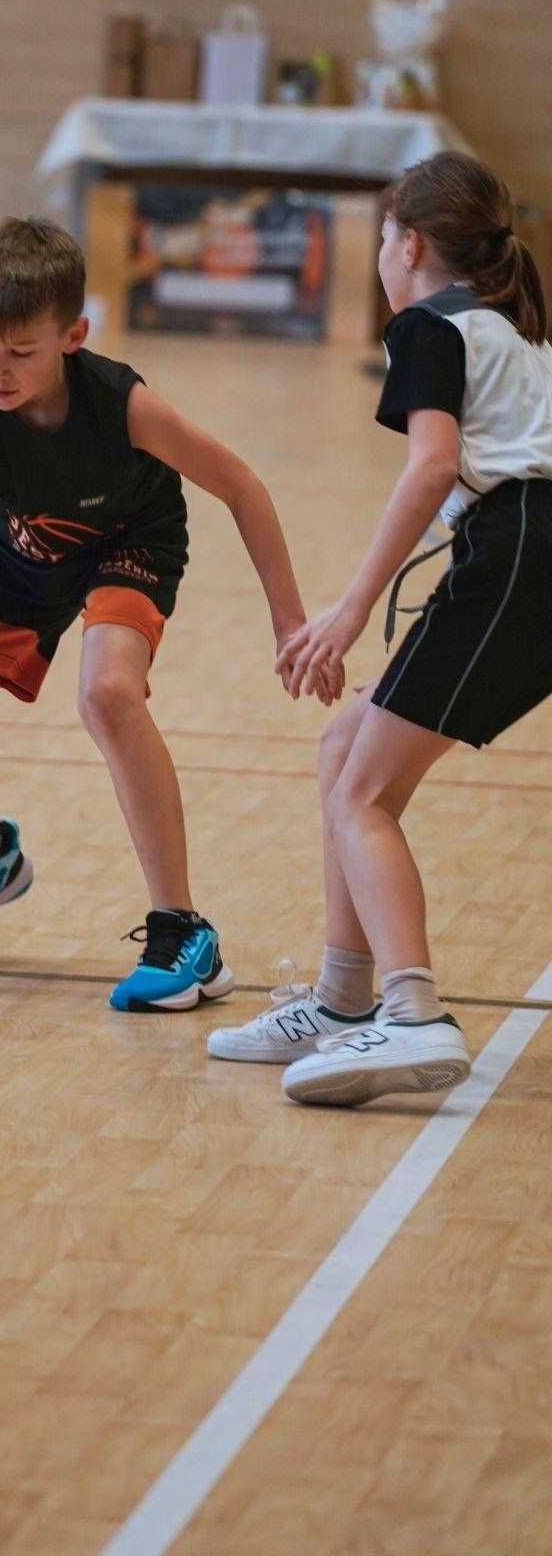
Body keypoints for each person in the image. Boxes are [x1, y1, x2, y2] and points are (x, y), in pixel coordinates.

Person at [0, 216, 328, 1010]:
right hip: (23, 546)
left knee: (108, 695)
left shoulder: (123, 404)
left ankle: (183, 931)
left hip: (130, 541)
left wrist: (288, 621)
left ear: (73, 335)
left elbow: (242, 487)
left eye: (20, 352)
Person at [210, 151, 552, 1104]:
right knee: (345, 748)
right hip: (522, 553)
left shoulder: (428, 326)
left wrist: (351, 608)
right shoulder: (515, 332)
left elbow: (434, 465)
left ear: (407, 244)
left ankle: (413, 1012)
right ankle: (342, 1000)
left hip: (520, 554)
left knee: (363, 793)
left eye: (385, 237)